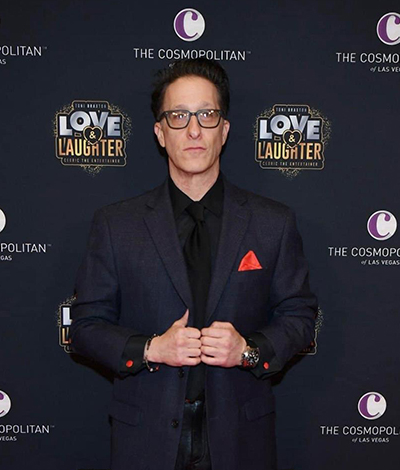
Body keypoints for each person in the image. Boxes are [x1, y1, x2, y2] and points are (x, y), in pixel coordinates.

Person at [70, 58, 317, 470]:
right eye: (178, 116)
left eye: (206, 114)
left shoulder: (272, 223)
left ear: (225, 129)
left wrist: (248, 350)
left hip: (241, 438)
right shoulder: (116, 225)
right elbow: (85, 327)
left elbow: (300, 315)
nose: (194, 130)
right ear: (160, 132)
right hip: (144, 438)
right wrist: (152, 348)